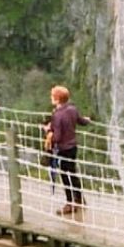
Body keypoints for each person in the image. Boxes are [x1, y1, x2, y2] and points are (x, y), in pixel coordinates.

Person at [43, 85, 91, 216]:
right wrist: (88, 120)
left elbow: (57, 137)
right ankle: (79, 199)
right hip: (73, 147)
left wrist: (48, 131)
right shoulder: (72, 109)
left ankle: (70, 203)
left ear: (57, 99)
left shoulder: (58, 115)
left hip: (63, 149)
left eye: (52, 96)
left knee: (65, 176)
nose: (51, 98)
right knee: (73, 173)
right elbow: (81, 121)